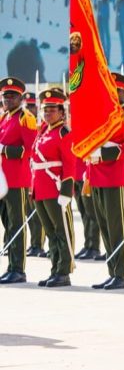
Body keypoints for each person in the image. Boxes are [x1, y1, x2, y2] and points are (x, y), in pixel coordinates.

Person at [89, 73, 124, 291]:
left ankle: (122, 274)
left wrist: (104, 153)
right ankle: (112, 271)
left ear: (123, 93)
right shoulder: (99, 112)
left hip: (114, 176)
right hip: (96, 174)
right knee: (104, 227)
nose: (114, 94)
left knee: (116, 227)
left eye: (118, 91)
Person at [31, 88, 75, 287]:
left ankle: (64, 271)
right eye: (45, 109)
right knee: (50, 232)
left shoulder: (63, 132)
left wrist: (66, 192)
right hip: (40, 188)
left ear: (61, 111)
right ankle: (55, 268)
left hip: (56, 188)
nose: (47, 113)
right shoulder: (43, 130)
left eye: (52, 109)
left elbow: (70, 163)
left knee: (61, 231)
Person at [0, 76, 37, 284]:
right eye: (5, 96)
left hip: (16, 180)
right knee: (7, 225)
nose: (8, 100)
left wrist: (4, 150)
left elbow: (29, 149)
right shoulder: (4, 117)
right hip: (2, 180)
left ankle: (18, 269)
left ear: (20, 98)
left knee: (16, 225)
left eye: (12, 96)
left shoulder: (25, 118)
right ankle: (10, 265)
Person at [24, 91, 47, 258]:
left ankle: (38, 244)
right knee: (30, 213)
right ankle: (34, 243)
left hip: (41, 175)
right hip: (29, 174)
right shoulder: (33, 125)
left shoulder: (39, 126)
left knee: (38, 214)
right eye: (28, 106)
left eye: (32, 106)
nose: (30, 109)